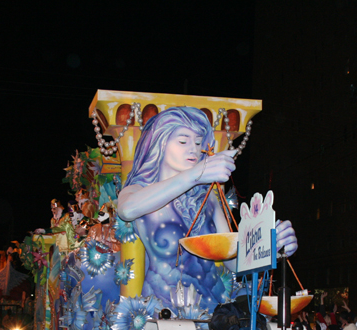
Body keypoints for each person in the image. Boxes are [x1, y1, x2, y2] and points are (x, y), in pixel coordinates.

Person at [116, 107, 298, 313]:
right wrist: (195, 174)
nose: (193, 149)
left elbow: (232, 261)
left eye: (197, 142)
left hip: (213, 310)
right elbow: (127, 210)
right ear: (159, 143)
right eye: (183, 141)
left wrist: (269, 247)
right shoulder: (139, 189)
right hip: (162, 312)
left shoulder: (208, 198)